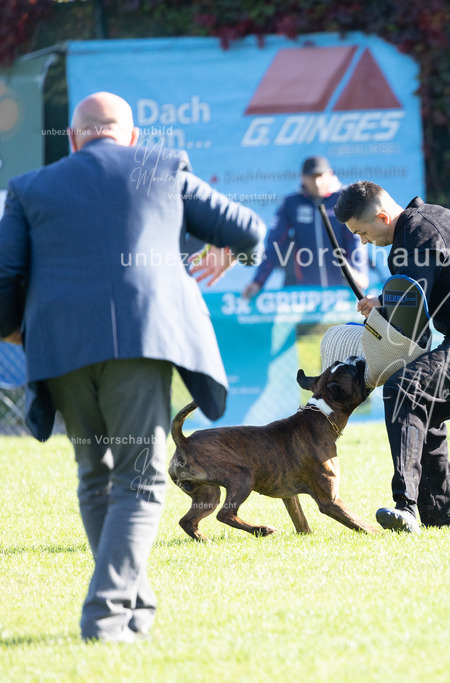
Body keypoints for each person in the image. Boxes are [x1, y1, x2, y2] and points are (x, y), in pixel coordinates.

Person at [0, 92, 265, 642]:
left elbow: (4, 274)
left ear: (74, 139)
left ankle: (133, 606)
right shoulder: (164, 167)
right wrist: (226, 253)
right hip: (141, 343)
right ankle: (104, 614)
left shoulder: (30, 188)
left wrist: (16, 331)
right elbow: (248, 230)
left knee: (96, 477)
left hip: (61, 349)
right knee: (140, 480)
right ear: (133, 136)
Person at [334, 180, 450, 534]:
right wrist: (385, 302)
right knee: (426, 412)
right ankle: (446, 517)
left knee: (403, 388)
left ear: (381, 216)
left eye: (362, 232)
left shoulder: (416, 236)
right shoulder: (434, 218)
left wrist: (380, 305)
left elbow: (412, 307)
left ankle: (405, 506)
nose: (363, 241)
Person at [242, 156, 368, 299]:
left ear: (330, 174)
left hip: (341, 291)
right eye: (311, 177)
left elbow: (356, 239)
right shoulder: (291, 203)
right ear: (302, 178)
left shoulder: (344, 198)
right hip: (304, 294)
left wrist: (359, 272)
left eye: (320, 176)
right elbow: (274, 245)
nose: (317, 182)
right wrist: (258, 282)